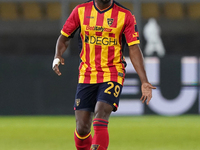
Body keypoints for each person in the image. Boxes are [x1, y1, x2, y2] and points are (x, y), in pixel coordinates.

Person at [52, 0, 156, 150]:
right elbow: (64, 37)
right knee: (82, 127)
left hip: (112, 73)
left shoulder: (125, 15)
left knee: (100, 114)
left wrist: (144, 80)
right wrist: (57, 55)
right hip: (87, 73)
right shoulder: (80, 11)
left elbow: (134, 48)